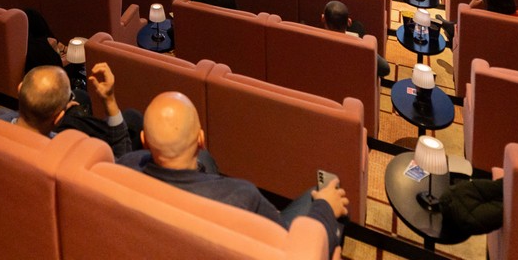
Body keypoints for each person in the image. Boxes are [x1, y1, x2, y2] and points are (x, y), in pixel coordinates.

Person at [117, 92, 348, 258]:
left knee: (204, 161)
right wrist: (324, 209)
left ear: (144, 141)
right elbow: (288, 245)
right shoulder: (241, 196)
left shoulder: (124, 167)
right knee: (325, 193)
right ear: (201, 139)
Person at [16, 63, 137, 158]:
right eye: (70, 96)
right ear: (59, 118)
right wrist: (110, 100)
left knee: (80, 96)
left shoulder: (3, 118)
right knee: (132, 117)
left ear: (20, 88)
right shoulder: (73, 153)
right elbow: (122, 163)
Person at [322, 0, 390, 77]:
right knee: (357, 26)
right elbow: (385, 69)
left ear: (323, 19)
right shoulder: (361, 47)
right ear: (349, 22)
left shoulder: (315, 44)